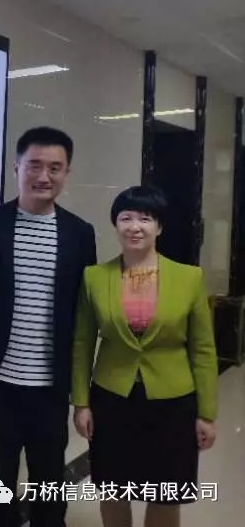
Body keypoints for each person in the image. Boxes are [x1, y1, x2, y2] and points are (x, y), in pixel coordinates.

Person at [0, 126, 97, 526]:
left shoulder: (79, 233)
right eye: (34, 165)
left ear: (66, 173)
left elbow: (80, 306)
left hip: (50, 385)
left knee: (48, 476)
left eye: (55, 167)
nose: (43, 176)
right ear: (16, 168)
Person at [72, 185, 218, 527]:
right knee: (113, 489)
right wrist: (80, 403)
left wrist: (206, 414)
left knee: (166, 493)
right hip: (112, 399)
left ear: (159, 227)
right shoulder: (95, 278)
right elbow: (82, 344)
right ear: (116, 225)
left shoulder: (189, 278)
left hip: (173, 402)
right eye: (126, 218)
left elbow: (203, 349)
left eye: (145, 218)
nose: (135, 227)